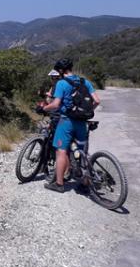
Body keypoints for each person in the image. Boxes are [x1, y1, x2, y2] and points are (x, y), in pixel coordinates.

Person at [39, 58, 100, 193]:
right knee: (82, 152)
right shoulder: (85, 81)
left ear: (61, 71)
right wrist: (86, 113)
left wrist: (43, 109)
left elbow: (55, 104)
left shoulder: (61, 83)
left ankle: (59, 184)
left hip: (66, 121)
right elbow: (96, 101)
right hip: (82, 123)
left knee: (61, 151)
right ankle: (85, 182)